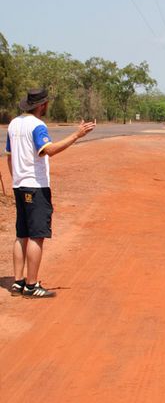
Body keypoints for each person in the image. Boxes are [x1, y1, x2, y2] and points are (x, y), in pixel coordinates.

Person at [5, 88, 96, 298]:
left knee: (22, 234)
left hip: (19, 185)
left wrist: (16, 178)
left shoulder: (14, 123)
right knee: (37, 235)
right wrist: (77, 135)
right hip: (35, 186)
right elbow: (50, 150)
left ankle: (18, 282)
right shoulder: (37, 126)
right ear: (41, 105)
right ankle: (31, 285)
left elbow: (10, 157)